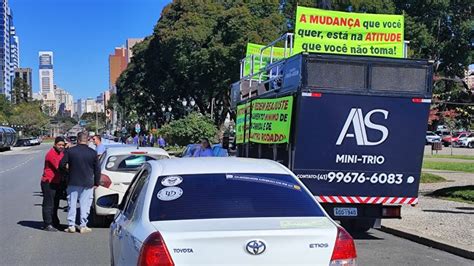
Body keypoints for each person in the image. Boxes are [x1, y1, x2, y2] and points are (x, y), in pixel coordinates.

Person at [60, 132, 101, 234]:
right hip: (88, 182)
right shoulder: (92, 152)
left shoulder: (70, 151)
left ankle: (71, 225)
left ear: (78, 140)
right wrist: (96, 182)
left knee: (71, 204)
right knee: (85, 205)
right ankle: (83, 225)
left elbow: (61, 165)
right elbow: (97, 169)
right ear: (87, 140)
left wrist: (67, 171)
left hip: (73, 181)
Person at [40, 136, 66, 232]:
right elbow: (59, 167)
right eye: (59, 145)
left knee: (55, 204)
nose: (61, 146)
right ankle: (48, 224)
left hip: (57, 182)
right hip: (48, 182)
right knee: (48, 204)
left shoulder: (61, 153)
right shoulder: (51, 154)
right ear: (54, 145)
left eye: (63, 145)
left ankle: (55, 222)